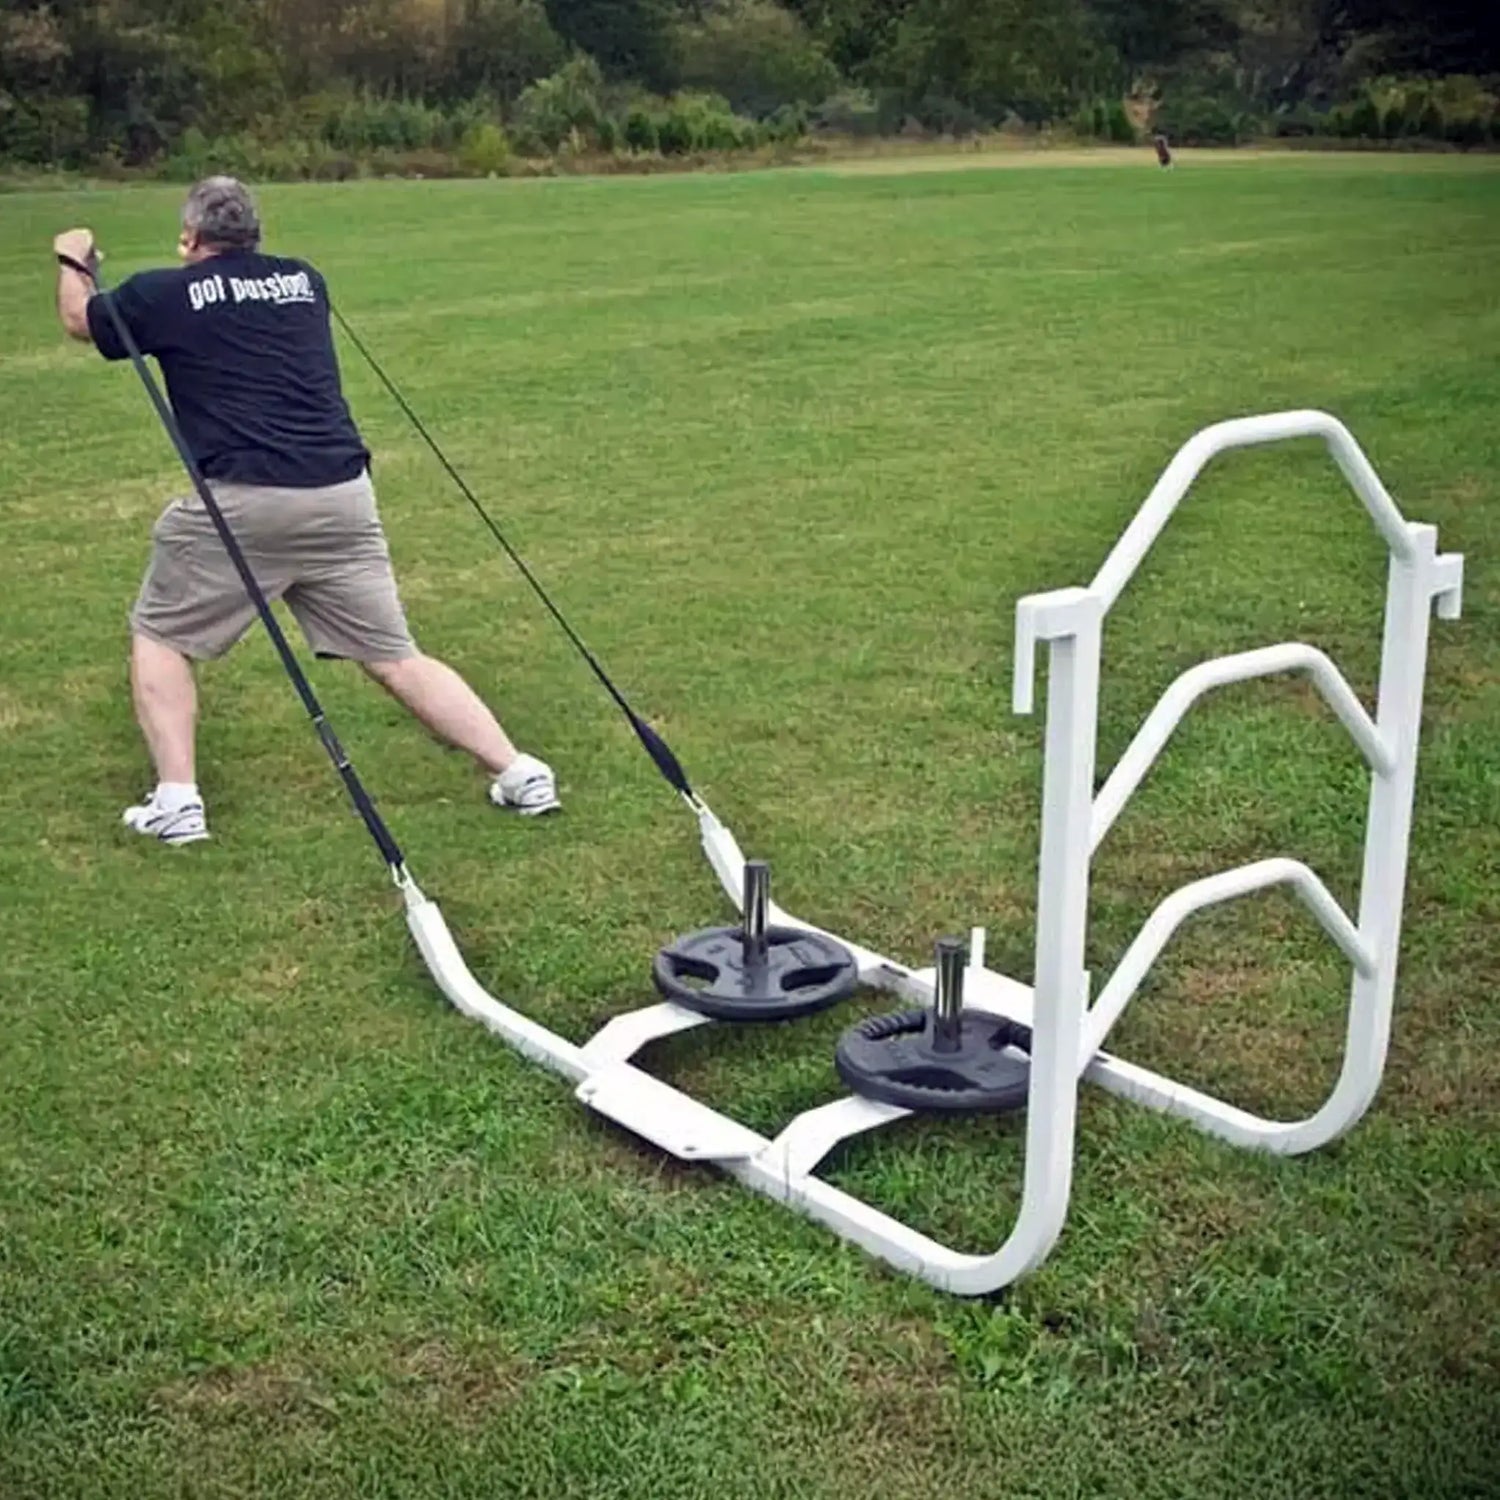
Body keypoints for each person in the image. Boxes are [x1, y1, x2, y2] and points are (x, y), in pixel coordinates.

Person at [53, 177, 558, 846]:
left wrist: (72, 260)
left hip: (245, 499)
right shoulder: (304, 281)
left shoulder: (162, 293)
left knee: (162, 636)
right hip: (343, 497)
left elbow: (79, 321)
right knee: (394, 655)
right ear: (255, 233)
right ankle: (519, 771)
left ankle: (178, 799)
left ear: (189, 238)